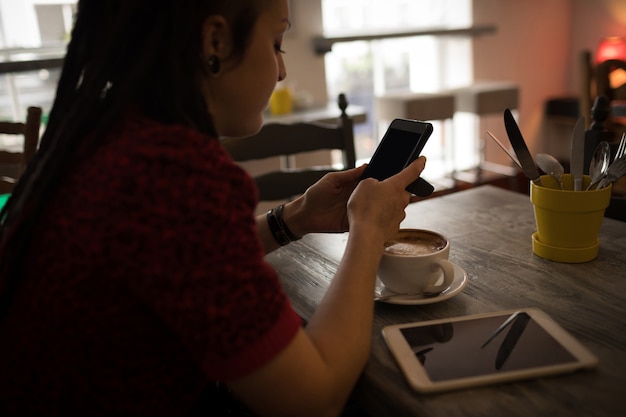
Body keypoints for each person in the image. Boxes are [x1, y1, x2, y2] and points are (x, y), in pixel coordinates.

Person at [0, 1, 427, 416]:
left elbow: (177, 261)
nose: (282, 70)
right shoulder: (170, 172)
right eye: (277, 41)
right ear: (216, 40)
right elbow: (314, 398)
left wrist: (296, 216)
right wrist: (368, 229)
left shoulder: (105, 131)